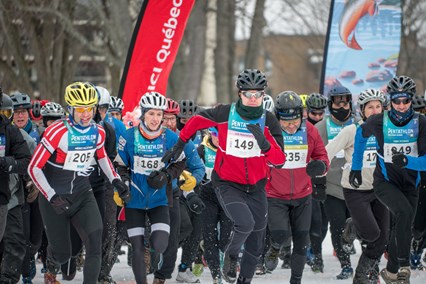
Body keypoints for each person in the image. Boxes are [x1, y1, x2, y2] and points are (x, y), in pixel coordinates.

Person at [162, 69, 285, 284]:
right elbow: (197, 120)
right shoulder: (225, 113)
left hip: (256, 186)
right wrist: (180, 142)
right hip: (227, 183)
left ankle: (243, 280)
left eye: (258, 94)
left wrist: (264, 144)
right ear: (239, 94)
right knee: (244, 224)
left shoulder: (269, 120)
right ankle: (231, 253)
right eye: (248, 94)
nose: (253, 99)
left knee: (256, 241)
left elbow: (280, 159)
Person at [28, 82, 130, 284]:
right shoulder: (57, 132)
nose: (86, 115)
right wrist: (52, 196)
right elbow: (34, 168)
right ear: (71, 109)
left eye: (90, 109)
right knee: (65, 253)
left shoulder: (98, 132)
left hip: (83, 194)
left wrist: (116, 181)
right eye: (81, 110)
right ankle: (60, 260)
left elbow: (102, 158)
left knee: (95, 241)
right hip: (54, 197)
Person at [350, 76, 426, 284]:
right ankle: (404, 267)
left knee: (405, 225)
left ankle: (391, 272)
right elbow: (360, 135)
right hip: (384, 182)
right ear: (390, 100)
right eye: (397, 101)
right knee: (405, 212)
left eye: (406, 101)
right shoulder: (378, 121)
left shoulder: (421, 122)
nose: (401, 106)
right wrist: (356, 168)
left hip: (411, 184)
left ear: (411, 100)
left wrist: (408, 162)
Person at [114, 92, 186, 284]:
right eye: (151, 114)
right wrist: (125, 183)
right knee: (137, 247)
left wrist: (166, 176)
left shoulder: (170, 138)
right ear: (143, 114)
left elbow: (180, 163)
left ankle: (150, 246)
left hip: (159, 199)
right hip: (134, 201)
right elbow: (120, 165)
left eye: (159, 114)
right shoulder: (129, 136)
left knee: (160, 244)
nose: (156, 119)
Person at [263, 91, 329, 284]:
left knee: (302, 242)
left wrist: (321, 165)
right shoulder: (269, 132)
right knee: (281, 234)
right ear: (278, 118)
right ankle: (275, 247)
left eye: (295, 121)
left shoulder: (309, 130)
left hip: (303, 195)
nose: (291, 127)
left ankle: (296, 280)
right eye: (286, 122)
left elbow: (322, 155)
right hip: (275, 195)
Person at [326, 89, 389, 283]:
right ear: (361, 110)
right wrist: (318, 168)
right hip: (356, 191)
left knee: (382, 239)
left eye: (378, 106)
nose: (375, 110)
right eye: (370, 107)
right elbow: (327, 151)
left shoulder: (388, 130)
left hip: (380, 189)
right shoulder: (351, 131)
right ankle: (353, 225)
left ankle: (364, 275)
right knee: (371, 233)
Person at [154, 97, 205, 284]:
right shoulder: (148, 137)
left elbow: (199, 168)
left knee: (192, 226)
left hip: (179, 193)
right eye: (164, 118)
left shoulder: (182, 140)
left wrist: (192, 181)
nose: (168, 122)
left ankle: (183, 267)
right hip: (151, 194)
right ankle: (153, 249)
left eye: (172, 119)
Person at [315, 85, 356, 279]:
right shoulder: (321, 127)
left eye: (345, 103)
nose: (342, 106)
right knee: (337, 226)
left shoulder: (358, 124)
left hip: (357, 186)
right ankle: (345, 264)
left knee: (358, 225)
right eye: (338, 103)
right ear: (331, 105)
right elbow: (314, 155)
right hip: (331, 187)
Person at [0, 90, 32, 283]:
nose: (3, 118)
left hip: (10, 196)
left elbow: (26, 161)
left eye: (5, 114)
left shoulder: (13, 133)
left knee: (15, 241)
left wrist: (7, 163)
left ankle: (9, 278)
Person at [198, 127, 233, 283]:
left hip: (228, 199)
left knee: (226, 238)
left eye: (222, 135)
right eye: (215, 135)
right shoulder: (202, 150)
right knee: (210, 237)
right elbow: (195, 171)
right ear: (209, 134)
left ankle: (227, 263)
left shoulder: (232, 149)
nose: (218, 139)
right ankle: (215, 274)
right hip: (208, 198)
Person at [304, 92, 328, 271]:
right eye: (314, 114)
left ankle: (315, 249)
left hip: (324, 177)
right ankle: (314, 254)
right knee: (314, 220)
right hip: (305, 179)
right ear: (307, 112)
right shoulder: (302, 127)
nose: (318, 117)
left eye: (321, 114)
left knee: (324, 221)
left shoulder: (325, 126)